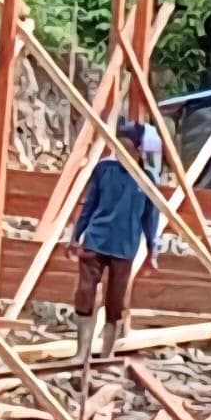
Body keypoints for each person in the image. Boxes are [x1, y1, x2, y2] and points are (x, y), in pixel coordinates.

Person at [69, 117, 160, 361]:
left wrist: (152, 251)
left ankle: (107, 355)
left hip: (125, 246)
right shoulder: (104, 170)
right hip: (97, 240)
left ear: (139, 151)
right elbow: (90, 205)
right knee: (85, 292)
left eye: (127, 149)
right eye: (117, 148)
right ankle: (81, 353)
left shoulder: (148, 180)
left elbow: (151, 219)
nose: (121, 154)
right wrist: (75, 235)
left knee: (115, 301)